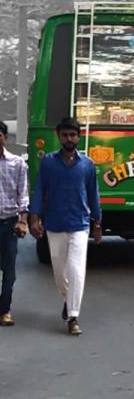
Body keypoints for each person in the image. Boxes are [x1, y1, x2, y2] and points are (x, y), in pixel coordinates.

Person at [29, 118, 101, 336]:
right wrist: (34, 217)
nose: (69, 139)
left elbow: (93, 194)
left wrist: (97, 222)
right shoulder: (49, 163)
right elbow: (40, 190)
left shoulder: (87, 164)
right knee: (60, 273)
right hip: (55, 224)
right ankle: (67, 300)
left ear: (79, 137)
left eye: (73, 135)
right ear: (59, 136)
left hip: (80, 224)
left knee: (76, 270)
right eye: (65, 135)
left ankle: (73, 316)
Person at [0, 121, 30, 327]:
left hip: (9, 223)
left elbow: (23, 195)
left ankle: (5, 310)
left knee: (9, 269)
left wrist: (23, 220)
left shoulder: (17, 163)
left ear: (5, 137)